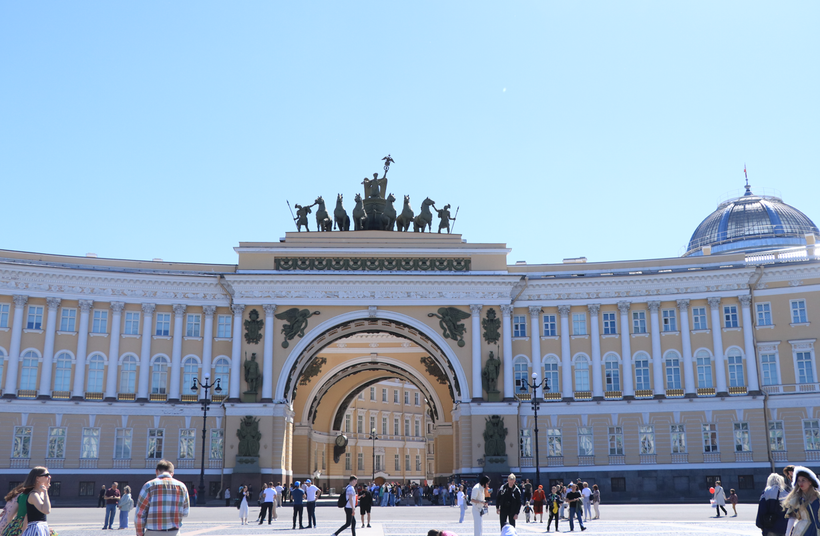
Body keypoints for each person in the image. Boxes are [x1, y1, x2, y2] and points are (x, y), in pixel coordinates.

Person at [135, 459, 190, 536]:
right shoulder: (182, 487)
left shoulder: (149, 486)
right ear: (172, 473)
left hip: (153, 532)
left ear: (156, 471)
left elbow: (140, 514)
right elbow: (185, 512)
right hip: (174, 532)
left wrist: (140, 534)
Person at [782, 466, 820, 536]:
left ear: (810, 482)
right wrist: (787, 533)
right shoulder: (797, 498)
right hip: (803, 531)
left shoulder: (818, 497)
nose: (800, 483)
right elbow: (792, 517)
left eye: (803, 480)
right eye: (799, 481)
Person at [19, 467, 51, 536]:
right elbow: (46, 510)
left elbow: (27, 516)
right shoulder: (34, 495)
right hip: (36, 528)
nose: (49, 477)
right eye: (46, 475)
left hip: (42, 527)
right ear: (37, 478)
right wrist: (45, 492)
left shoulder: (40, 493)